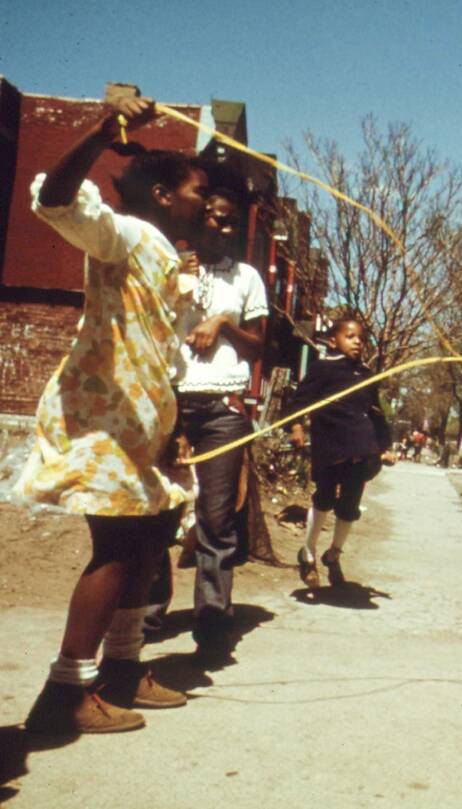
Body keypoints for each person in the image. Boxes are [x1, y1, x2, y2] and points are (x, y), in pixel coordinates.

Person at [20, 96, 206, 734]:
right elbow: (56, 201)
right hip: (104, 418)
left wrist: (174, 425)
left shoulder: (163, 253)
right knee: (119, 547)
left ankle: (122, 669)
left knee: (151, 538)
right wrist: (102, 131)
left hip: (146, 424)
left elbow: (165, 355)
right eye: (196, 190)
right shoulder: (121, 234)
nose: (205, 203)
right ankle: (66, 690)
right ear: (160, 192)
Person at [171, 179, 268, 659]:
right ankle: (144, 617)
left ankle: (212, 623)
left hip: (223, 407)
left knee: (215, 516)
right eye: (215, 215)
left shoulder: (247, 277)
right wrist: (174, 279)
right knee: (157, 510)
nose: (224, 226)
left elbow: (258, 347)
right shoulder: (171, 266)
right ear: (197, 216)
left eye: (232, 219)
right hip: (169, 399)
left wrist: (225, 323)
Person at [287, 318, 394, 588]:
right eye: (350, 336)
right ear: (333, 341)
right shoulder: (323, 369)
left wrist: (385, 447)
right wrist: (296, 426)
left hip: (359, 447)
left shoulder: (367, 375)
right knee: (324, 497)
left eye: (361, 338)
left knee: (349, 504)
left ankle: (333, 554)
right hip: (330, 444)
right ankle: (308, 553)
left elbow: (376, 413)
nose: (357, 341)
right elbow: (299, 401)